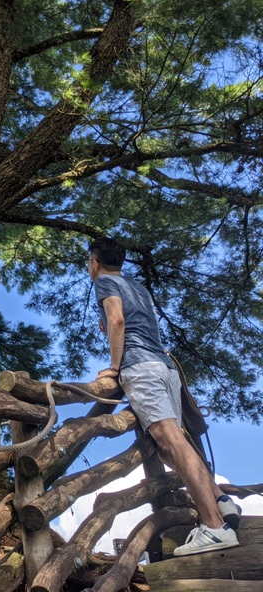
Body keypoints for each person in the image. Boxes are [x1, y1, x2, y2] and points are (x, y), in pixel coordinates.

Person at [87, 237, 241, 556]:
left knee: (172, 442)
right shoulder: (138, 287)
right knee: (171, 448)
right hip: (164, 367)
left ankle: (214, 528)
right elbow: (134, 324)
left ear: (95, 263)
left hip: (141, 368)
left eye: (89, 262)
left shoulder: (104, 282)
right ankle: (221, 500)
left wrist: (114, 367)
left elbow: (117, 320)